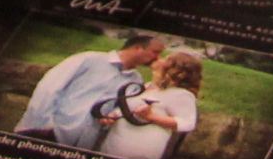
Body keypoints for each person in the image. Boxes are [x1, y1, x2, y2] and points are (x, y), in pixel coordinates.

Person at [13, 35, 164, 150]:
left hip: (82, 144)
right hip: (45, 132)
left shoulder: (136, 80)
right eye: (155, 52)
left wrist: (110, 118)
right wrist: (42, 127)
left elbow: (121, 110)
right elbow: (48, 88)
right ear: (138, 48)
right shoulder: (89, 59)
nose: (158, 58)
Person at [94, 50, 204, 159]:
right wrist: (114, 115)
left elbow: (187, 123)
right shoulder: (148, 86)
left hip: (139, 151)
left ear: (175, 70)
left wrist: (151, 117)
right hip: (114, 143)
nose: (160, 60)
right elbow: (129, 107)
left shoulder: (181, 94)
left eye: (166, 59)